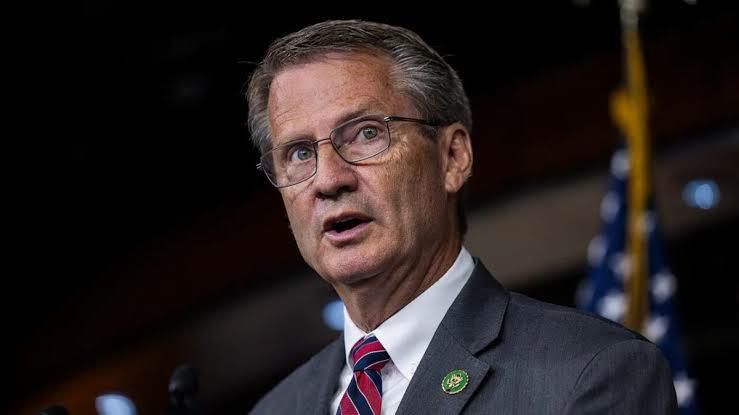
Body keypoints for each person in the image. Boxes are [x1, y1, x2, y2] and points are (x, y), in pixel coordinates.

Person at [246, 19, 676, 414]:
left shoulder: (592, 372)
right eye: (298, 154)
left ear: (452, 157)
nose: (328, 179)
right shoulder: (273, 411)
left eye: (366, 133)